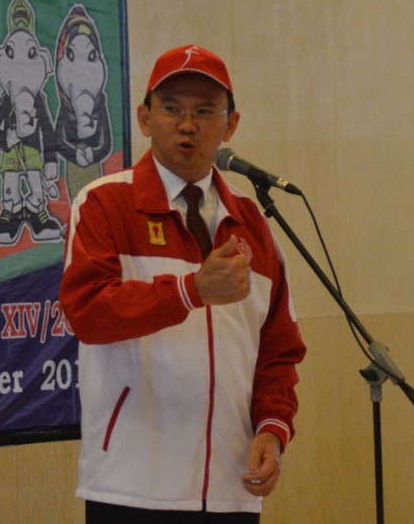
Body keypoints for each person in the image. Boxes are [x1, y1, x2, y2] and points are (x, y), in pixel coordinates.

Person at [59, 44, 306, 523]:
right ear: (145, 118)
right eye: (172, 109)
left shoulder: (253, 222)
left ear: (230, 125)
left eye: (205, 111)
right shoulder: (104, 203)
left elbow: (278, 351)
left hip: (232, 486)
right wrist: (190, 292)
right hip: (131, 487)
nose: (187, 125)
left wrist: (273, 430)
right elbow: (87, 312)